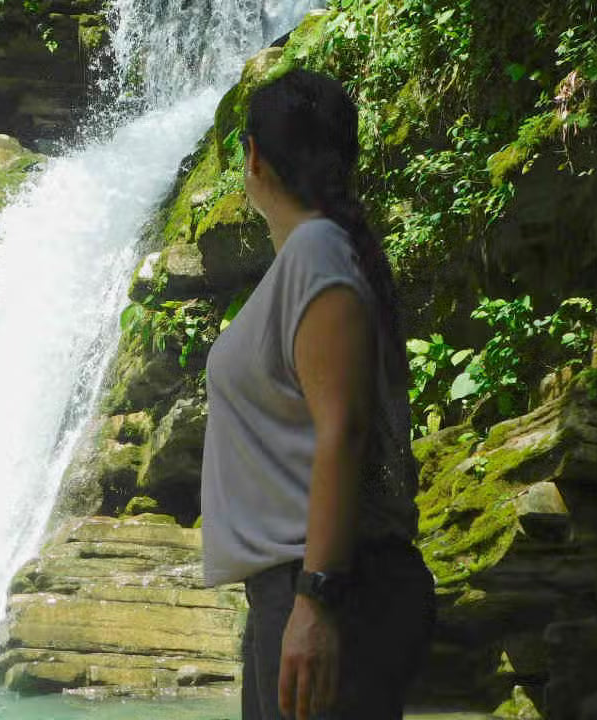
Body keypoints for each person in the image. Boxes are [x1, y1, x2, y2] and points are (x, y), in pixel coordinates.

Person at [199, 68, 435, 720]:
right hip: (303, 589)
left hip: (330, 588)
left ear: (253, 156)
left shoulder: (315, 249)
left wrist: (316, 599)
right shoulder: (320, 253)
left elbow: (344, 431)